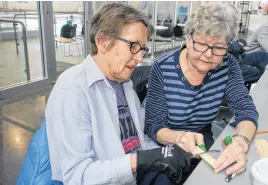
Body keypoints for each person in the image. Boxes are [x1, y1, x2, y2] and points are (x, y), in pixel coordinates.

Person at [46, 3, 191, 185]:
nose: (140, 58)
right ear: (103, 41)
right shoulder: (72, 90)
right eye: (133, 46)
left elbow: (138, 141)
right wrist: (139, 161)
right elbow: (77, 176)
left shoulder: (125, 83)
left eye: (142, 49)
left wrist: (166, 152)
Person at [145, 2, 258, 182]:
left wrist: (241, 141)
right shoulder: (162, 68)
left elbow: (245, 109)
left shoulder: (228, 66)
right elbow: (153, 125)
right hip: (166, 140)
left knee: (217, 175)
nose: (208, 54)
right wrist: (179, 137)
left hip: (201, 136)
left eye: (219, 47)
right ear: (188, 39)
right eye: (202, 44)